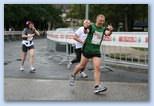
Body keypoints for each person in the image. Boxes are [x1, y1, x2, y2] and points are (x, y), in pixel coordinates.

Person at [69, 14, 113, 94]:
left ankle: (97, 86)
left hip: (96, 51)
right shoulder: (92, 26)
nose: (101, 22)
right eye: (100, 20)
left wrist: (111, 30)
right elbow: (86, 31)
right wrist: (85, 27)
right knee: (81, 66)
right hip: (87, 50)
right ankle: (73, 75)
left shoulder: (103, 29)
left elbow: (107, 34)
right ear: (96, 20)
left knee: (97, 68)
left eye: (103, 21)